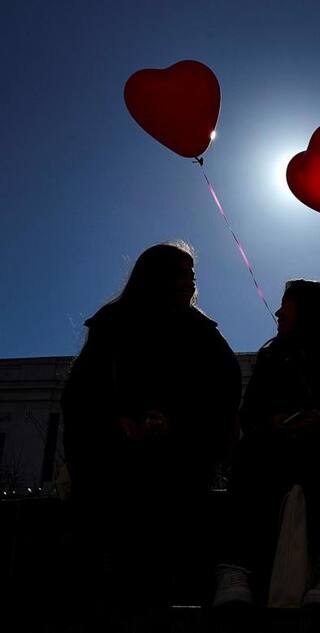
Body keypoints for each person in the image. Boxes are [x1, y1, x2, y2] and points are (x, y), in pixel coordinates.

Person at [62, 241, 242, 608]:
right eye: (181, 275)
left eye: (192, 276)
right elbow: (81, 393)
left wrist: (178, 423)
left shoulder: (203, 332)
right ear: (156, 277)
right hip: (111, 463)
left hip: (180, 464)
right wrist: (119, 419)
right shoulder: (113, 324)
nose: (190, 284)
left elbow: (224, 394)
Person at [213, 280, 320, 609]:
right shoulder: (272, 355)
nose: (278, 312)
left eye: (286, 303)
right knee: (249, 456)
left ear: (309, 308)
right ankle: (236, 568)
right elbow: (250, 413)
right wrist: (275, 422)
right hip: (278, 448)